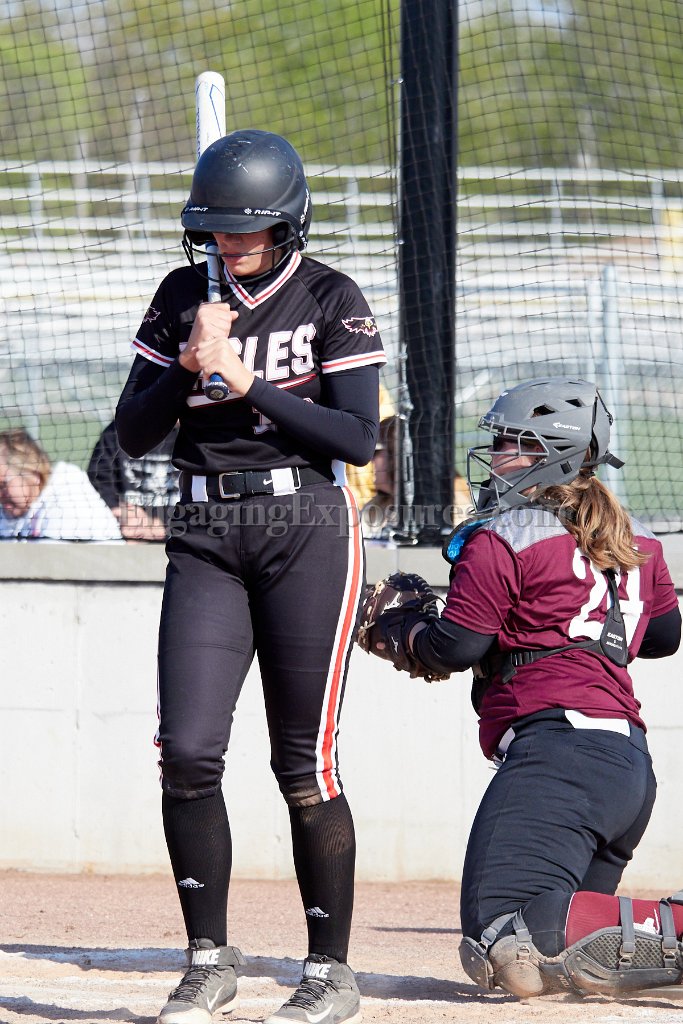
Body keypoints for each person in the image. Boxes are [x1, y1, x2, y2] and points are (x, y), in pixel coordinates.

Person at [115, 129, 385, 1024]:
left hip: (305, 526)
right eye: (217, 229)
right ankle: (207, 959)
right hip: (204, 530)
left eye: (247, 229)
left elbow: (356, 439)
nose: (229, 244)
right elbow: (133, 435)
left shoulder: (330, 296)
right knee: (187, 752)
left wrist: (244, 380)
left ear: (287, 224)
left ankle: (328, 971)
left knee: (303, 761)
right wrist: (190, 363)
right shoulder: (181, 296)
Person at [363, 377, 682, 1000]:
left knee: (500, 936)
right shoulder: (634, 535)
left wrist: (404, 631)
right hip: (626, 767)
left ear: (552, 454)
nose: (496, 455)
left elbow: (455, 647)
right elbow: (665, 634)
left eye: (511, 443)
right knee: (546, 967)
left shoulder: (504, 533)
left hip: (559, 757)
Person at [0, 428, 122, 541]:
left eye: (2, 485)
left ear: (34, 474)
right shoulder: (10, 510)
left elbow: (50, 557)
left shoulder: (68, 503)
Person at [87, 420, 180, 540]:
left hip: (179, 534)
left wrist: (164, 525)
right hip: (126, 532)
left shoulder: (197, 435)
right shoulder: (119, 429)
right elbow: (98, 479)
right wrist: (119, 511)